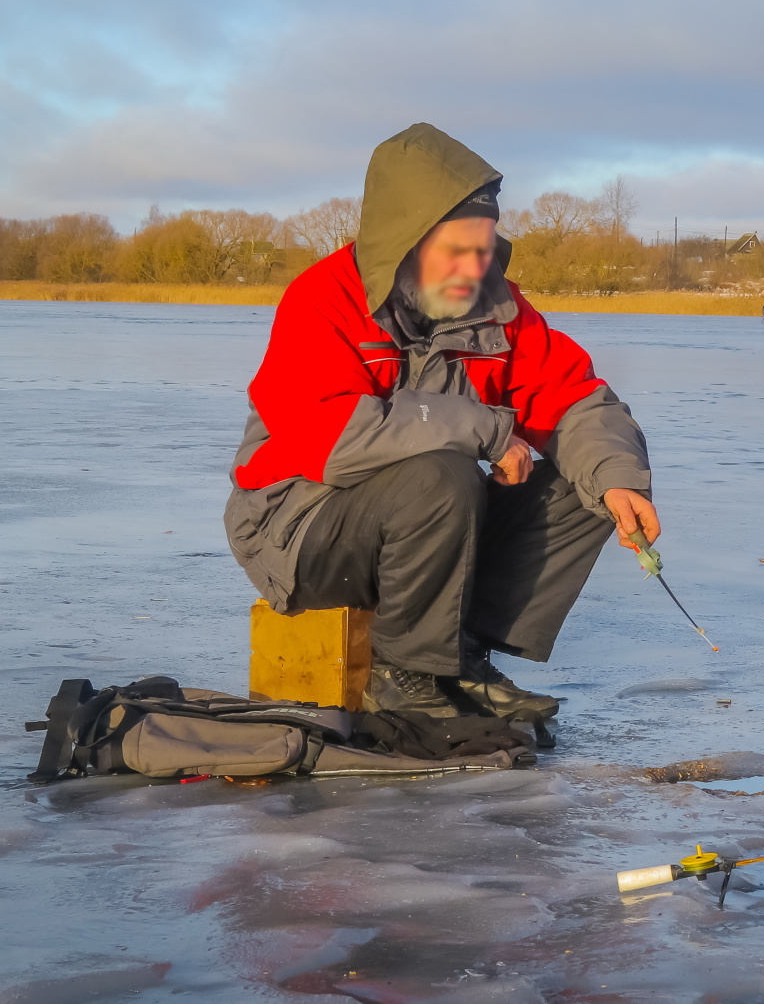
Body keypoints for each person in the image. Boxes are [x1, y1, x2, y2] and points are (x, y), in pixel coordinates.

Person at [225, 123, 659, 719]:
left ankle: (467, 655)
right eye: (456, 251)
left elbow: (575, 397)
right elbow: (331, 436)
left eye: (484, 250)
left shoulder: (498, 308)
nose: (475, 268)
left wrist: (618, 478)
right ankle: (408, 676)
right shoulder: (320, 300)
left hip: (425, 523)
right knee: (441, 473)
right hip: (297, 524)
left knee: (579, 484)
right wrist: (486, 429)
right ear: (405, 244)